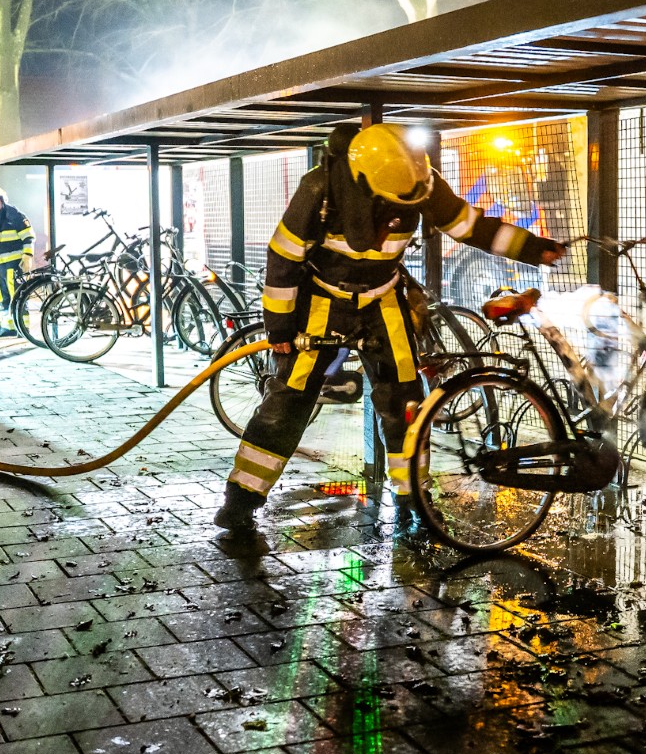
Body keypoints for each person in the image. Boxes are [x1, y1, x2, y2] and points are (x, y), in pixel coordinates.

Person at [215, 123, 565, 531]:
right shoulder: (319, 189)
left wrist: (534, 248)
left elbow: (471, 227)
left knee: (404, 403)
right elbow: (283, 258)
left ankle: (414, 499)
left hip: (383, 301)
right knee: (288, 401)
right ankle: (241, 500)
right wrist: (279, 330)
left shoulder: (419, 181)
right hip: (322, 303)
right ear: (366, 182)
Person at [0, 185, 33, 337]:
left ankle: (23, 328)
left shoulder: (14, 215)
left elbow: (28, 236)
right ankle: (9, 326)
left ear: (2, 200)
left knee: (18, 295)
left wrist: (27, 256)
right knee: (2, 297)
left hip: (14, 263)